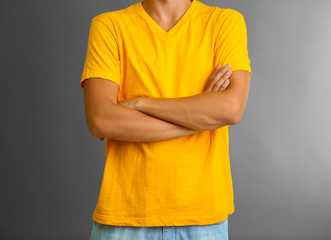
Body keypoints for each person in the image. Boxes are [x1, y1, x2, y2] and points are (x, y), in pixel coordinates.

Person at [80, 0, 252, 239]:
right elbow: (101, 120)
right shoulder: (109, 25)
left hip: (202, 217)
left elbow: (230, 109)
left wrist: (141, 103)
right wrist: (201, 116)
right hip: (126, 216)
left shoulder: (223, 22)